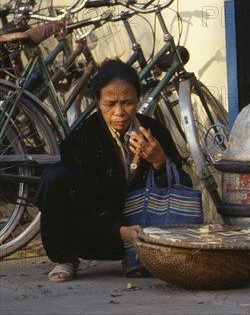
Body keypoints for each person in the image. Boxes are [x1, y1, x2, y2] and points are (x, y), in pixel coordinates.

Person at [37, 58, 188, 282]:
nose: (119, 112)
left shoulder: (154, 133)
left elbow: (184, 188)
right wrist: (119, 230)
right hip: (96, 233)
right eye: (110, 103)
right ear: (98, 101)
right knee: (54, 176)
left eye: (127, 102)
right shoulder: (82, 138)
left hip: (143, 235)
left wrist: (159, 161)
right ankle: (66, 257)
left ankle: (138, 257)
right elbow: (86, 198)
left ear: (138, 100)